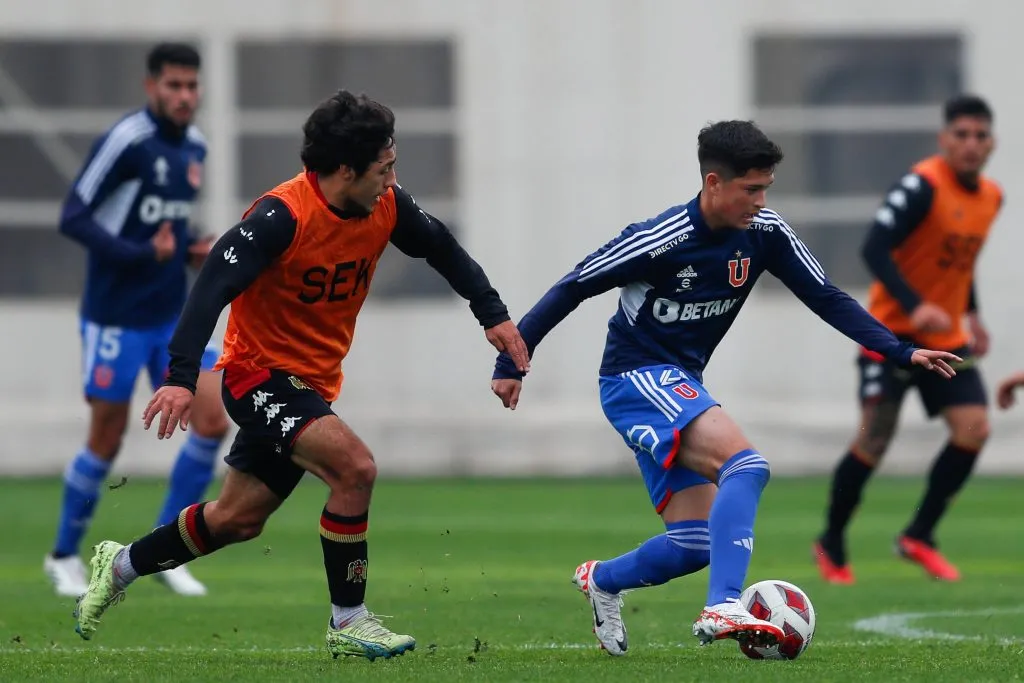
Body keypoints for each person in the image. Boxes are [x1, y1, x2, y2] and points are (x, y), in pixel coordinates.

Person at [72, 90, 530, 660]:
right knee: (355, 468)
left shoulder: (385, 205)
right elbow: (211, 287)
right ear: (344, 170)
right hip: (255, 376)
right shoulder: (280, 216)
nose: (392, 180)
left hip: (308, 386)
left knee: (237, 520)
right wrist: (182, 377)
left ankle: (119, 564)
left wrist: (493, 314)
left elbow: (439, 245)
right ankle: (349, 619)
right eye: (384, 169)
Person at [490, 120, 960, 655]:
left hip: (679, 384)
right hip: (635, 378)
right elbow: (573, 285)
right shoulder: (658, 239)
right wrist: (512, 361)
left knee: (693, 544)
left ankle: (603, 581)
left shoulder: (766, 234)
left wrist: (901, 349)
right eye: (751, 190)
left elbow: (827, 296)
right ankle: (724, 604)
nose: (761, 201)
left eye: (766, 189)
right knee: (748, 465)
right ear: (714, 183)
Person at [49, 42, 227, 598]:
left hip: (172, 316)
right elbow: (72, 216)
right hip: (115, 318)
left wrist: (189, 251)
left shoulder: (195, 147)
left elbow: (167, 231)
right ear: (152, 88)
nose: (183, 96)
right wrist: (139, 253)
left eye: (191, 86)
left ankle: (166, 549)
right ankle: (62, 556)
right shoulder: (127, 141)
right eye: (173, 85)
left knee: (213, 419)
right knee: (107, 437)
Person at [813, 95, 1002, 584]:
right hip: (892, 334)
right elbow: (874, 247)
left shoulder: (991, 197)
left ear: (991, 144)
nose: (971, 144)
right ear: (944, 140)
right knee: (875, 439)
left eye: (980, 135)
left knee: (974, 429)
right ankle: (831, 541)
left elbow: (958, 260)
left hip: (949, 338)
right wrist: (915, 303)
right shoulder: (921, 185)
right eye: (961, 134)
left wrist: (973, 313)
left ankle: (919, 534)